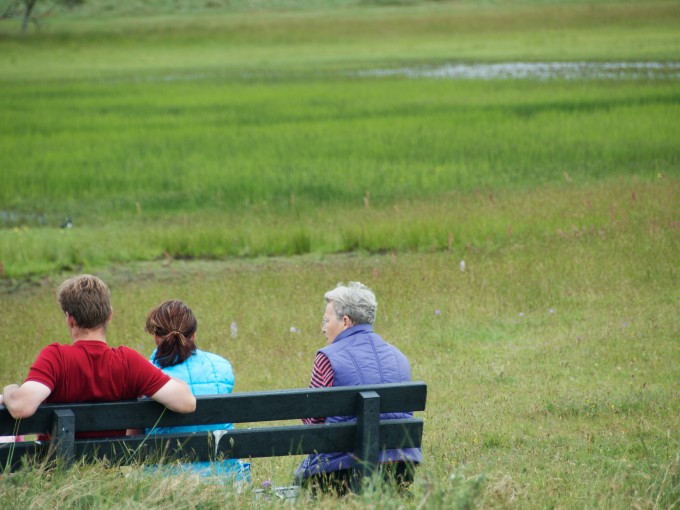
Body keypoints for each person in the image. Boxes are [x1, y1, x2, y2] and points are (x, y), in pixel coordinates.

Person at [0, 275, 195, 438]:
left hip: (57, 474)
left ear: (70, 319)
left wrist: (10, 390)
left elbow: (21, 406)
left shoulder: (56, 357)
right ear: (109, 315)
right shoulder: (129, 361)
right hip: (108, 471)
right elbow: (186, 402)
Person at [295, 282, 423, 495]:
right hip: (399, 468)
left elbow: (312, 423)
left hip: (340, 473)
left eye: (326, 320)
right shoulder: (400, 358)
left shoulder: (327, 358)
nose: (323, 327)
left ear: (345, 321)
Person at [144, 299, 249, 482]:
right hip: (225, 477)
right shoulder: (221, 368)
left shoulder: (145, 375)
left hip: (163, 482)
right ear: (193, 335)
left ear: (155, 337)